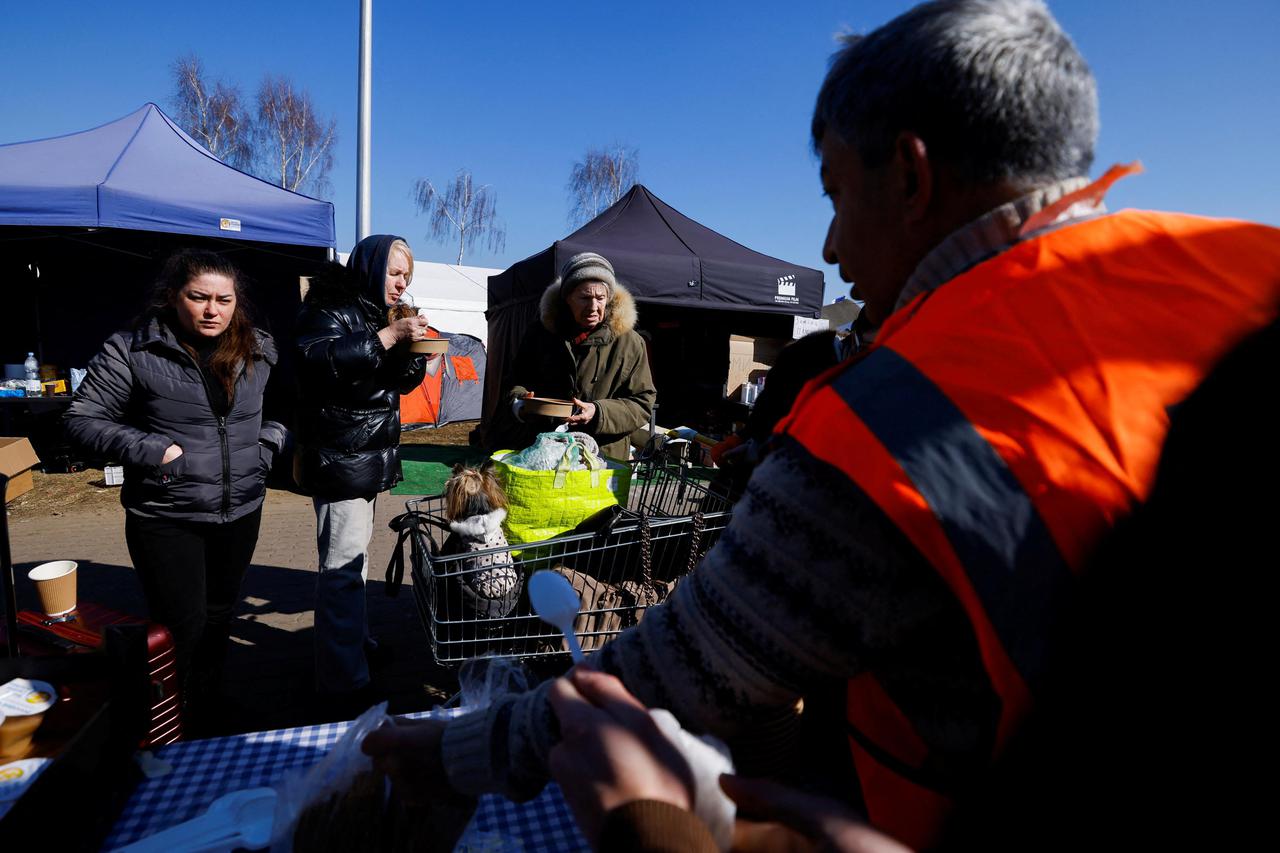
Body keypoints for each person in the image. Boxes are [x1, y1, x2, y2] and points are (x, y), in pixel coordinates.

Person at [363, 1, 1280, 847]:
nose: (833, 249)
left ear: (912, 175)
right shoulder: (1239, 270)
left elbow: (681, 664)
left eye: (837, 195)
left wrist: (456, 754)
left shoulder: (894, 420)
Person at [64, 249, 285, 717]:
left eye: (223, 299)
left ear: (236, 301)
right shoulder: (132, 348)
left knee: (222, 614)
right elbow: (82, 419)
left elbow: (286, 409)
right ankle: (167, 721)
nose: (212, 310)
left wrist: (265, 448)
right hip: (167, 514)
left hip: (241, 508)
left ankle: (207, 704)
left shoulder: (258, 347)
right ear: (173, 296)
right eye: (198, 297)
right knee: (181, 625)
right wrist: (154, 451)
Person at [294, 234, 429, 700]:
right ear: (370, 266)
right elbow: (318, 362)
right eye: (394, 273)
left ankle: (355, 645)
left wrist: (418, 353)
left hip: (367, 458)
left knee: (356, 560)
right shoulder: (329, 308)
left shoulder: (378, 312)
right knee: (340, 570)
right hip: (340, 456)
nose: (401, 284)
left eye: (406, 276)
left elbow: (397, 383)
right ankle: (342, 680)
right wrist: (390, 337)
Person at [487, 252, 656, 462]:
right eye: (585, 297)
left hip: (602, 459)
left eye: (600, 298)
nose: (594, 307)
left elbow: (643, 402)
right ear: (567, 298)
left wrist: (599, 411)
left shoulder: (630, 343)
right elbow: (515, 382)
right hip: (543, 452)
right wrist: (519, 403)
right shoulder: (540, 334)